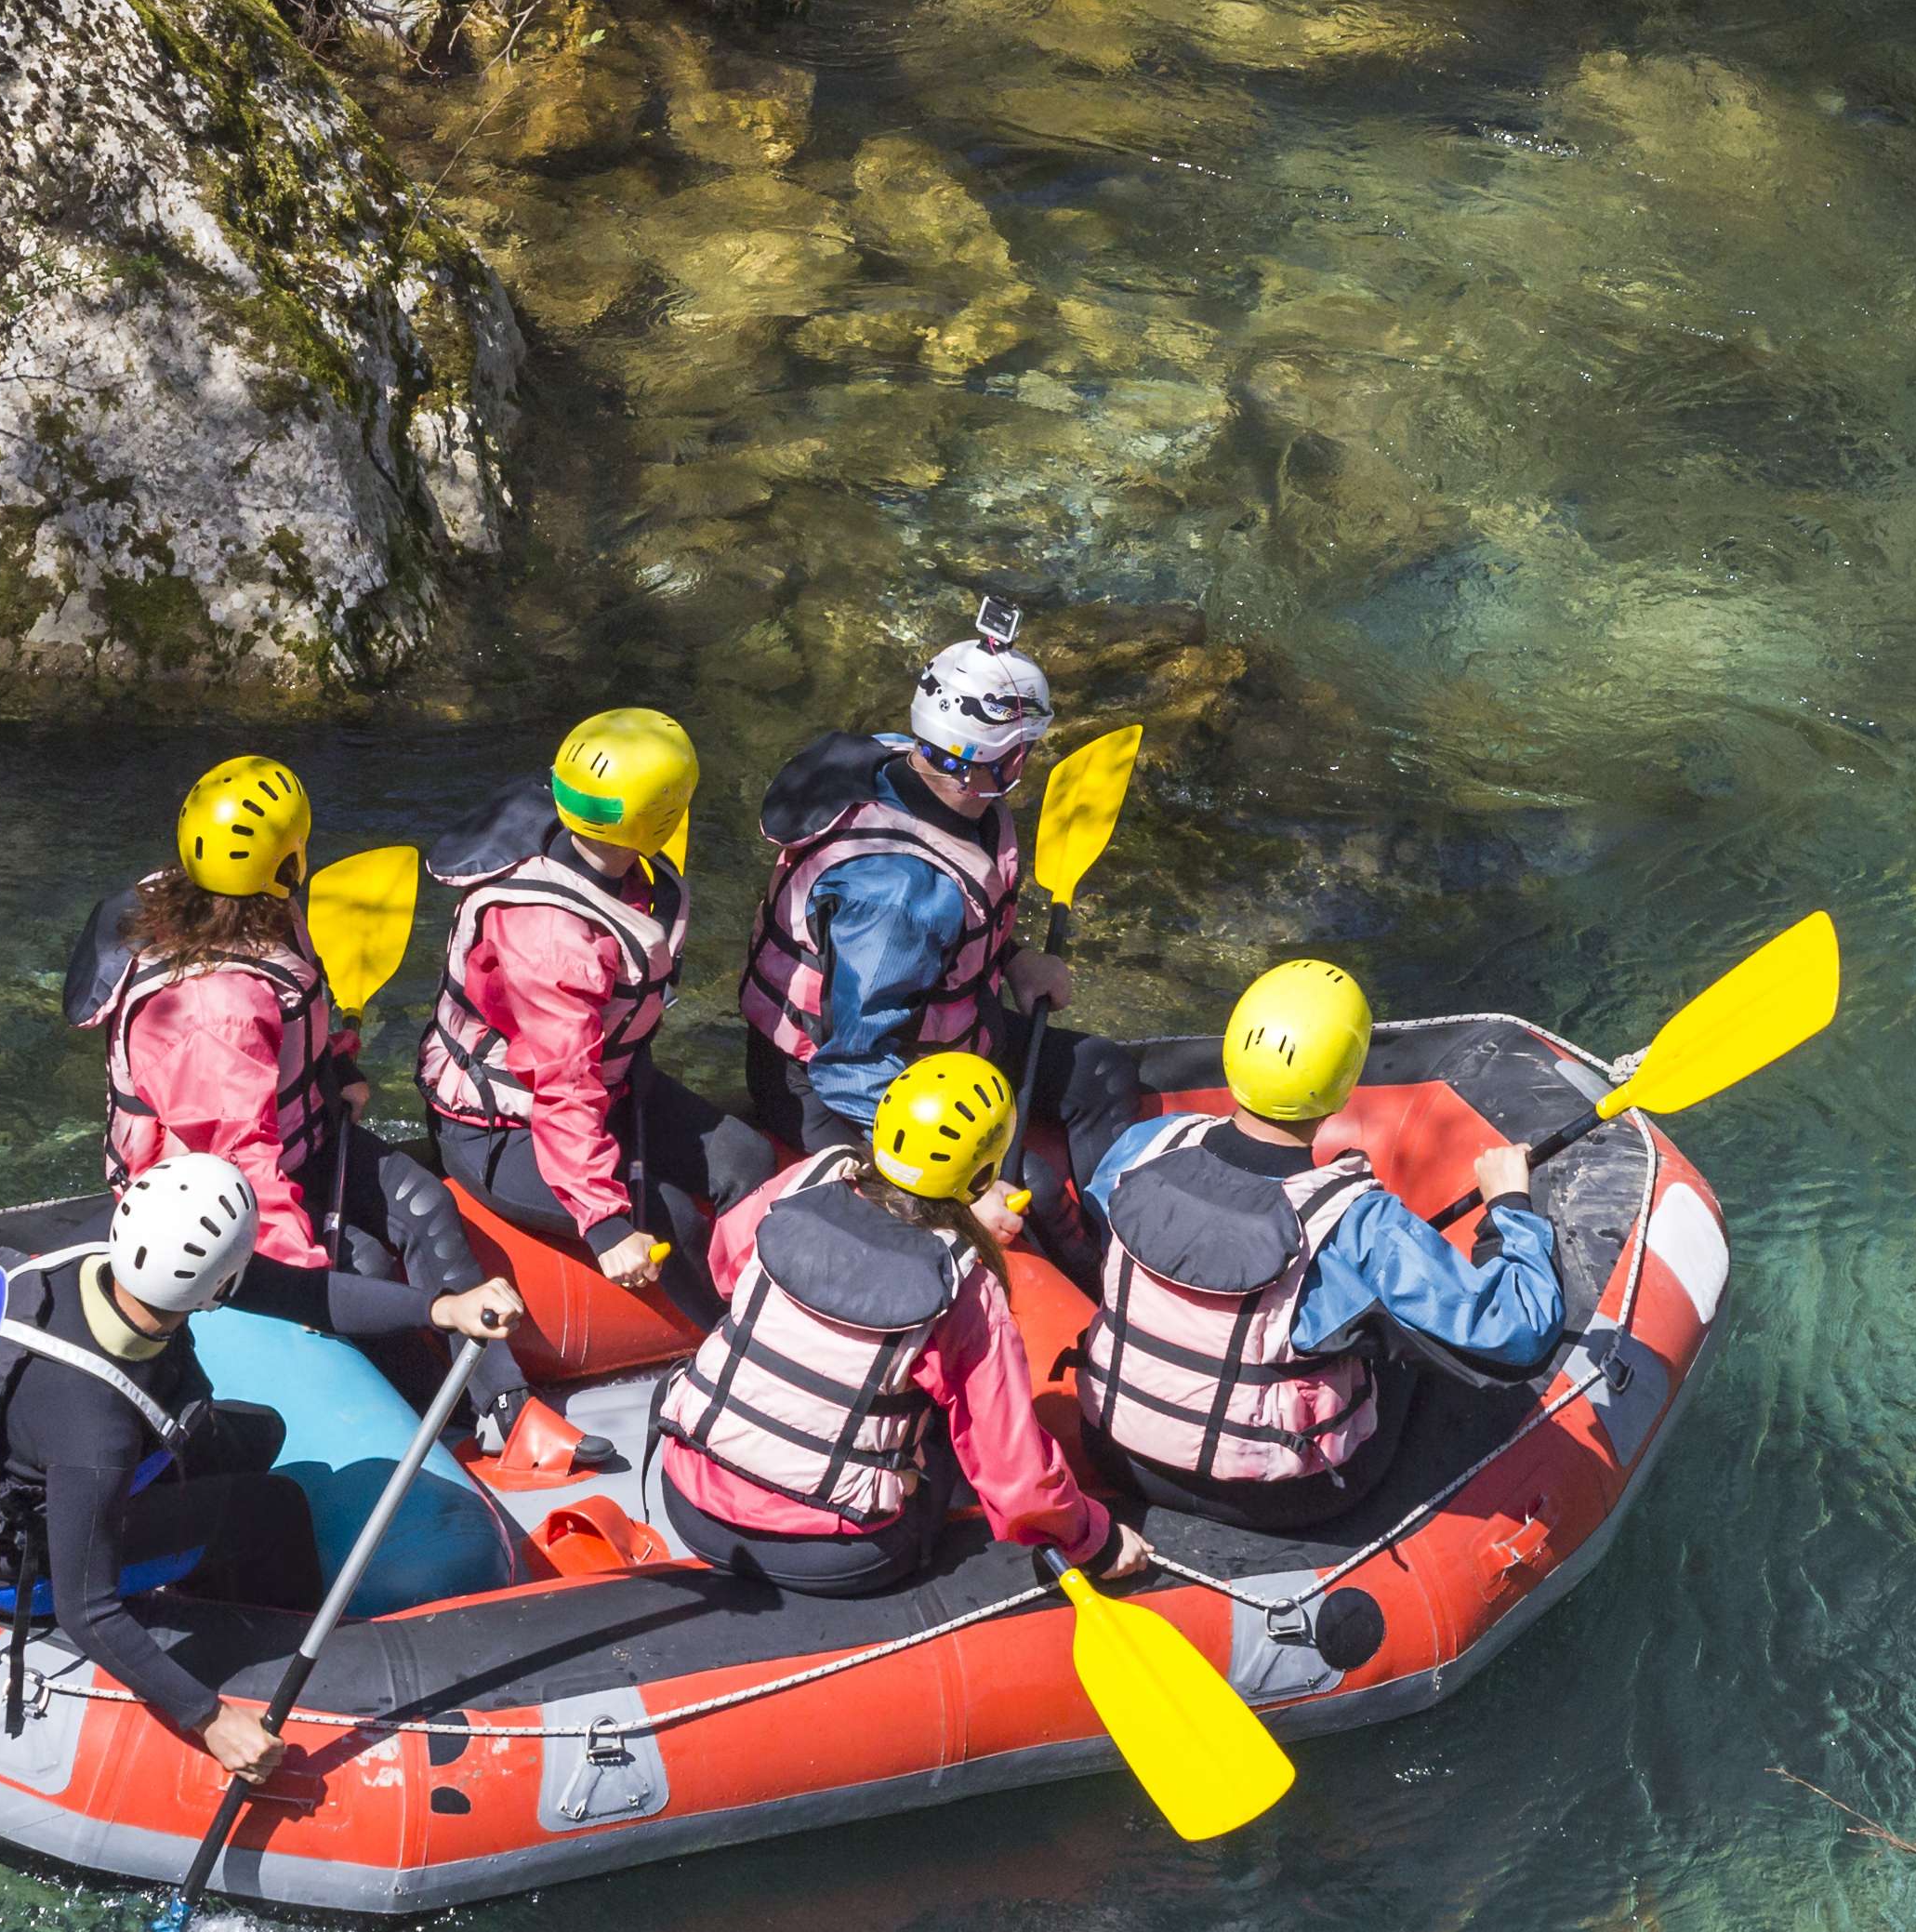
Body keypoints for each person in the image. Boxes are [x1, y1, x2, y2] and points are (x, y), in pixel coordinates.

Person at [0, 1152, 527, 1784]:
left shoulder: (108, 1244)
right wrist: (209, 1719)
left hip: (41, 1464)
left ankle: (202, 1571)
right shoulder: (95, 1434)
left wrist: (440, 1308)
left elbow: (299, 1293)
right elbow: (85, 1609)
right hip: (17, 1565)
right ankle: (289, 1652)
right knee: (275, 1509)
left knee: (256, 1436)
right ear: (209, 1292)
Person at [73, 750, 520, 1432]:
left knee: (425, 1203)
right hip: (216, 1197)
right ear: (285, 862)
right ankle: (438, 1425)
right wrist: (302, 1281)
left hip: (303, 1137)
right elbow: (236, 1163)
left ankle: (505, 1404)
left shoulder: (253, 909)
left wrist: (335, 1070)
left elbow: (287, 1027)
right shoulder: (211, 1013)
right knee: (363, 1262)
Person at [1077, 959, 1566, 1537]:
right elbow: (1522, 1331)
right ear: (1344, 1083)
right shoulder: (1359, 1226)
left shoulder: (1141, 1148)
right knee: (1412, 1352)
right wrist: (1508, 1207)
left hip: (1113, 1446)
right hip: (1274, 1495)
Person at [652, 1051, 1153, 1599]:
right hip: (828, 1551)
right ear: (982, 1176)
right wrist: (1095, 1540)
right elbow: (1016, 1475)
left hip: (685, 1495)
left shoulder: (808, 1179)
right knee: (943, 1438)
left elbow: (729, 1270)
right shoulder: (964, 1288)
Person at [739, 611, 1141, 1226]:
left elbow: (954, 929)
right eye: (1024, 750)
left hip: (934, 1045)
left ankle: (1118, 1238)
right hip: (839, 1090)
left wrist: (1012, 956)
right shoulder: (899, 897)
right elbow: (850, 1064)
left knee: (1101, 1070)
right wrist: (969, 1189)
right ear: (1003, 760)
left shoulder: (910, 761)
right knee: (1021, 1184)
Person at [416, 705, 778, 1303]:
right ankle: (727, 1343)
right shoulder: (555, 942)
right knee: (674, 1224)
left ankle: (760, 1294)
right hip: (501, 1128)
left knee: (748, 1160)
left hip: (611, 1086)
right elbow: (563, 1081)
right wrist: (605, 1222)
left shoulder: (605, 856)